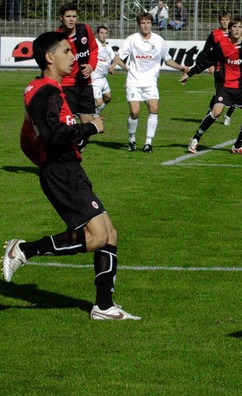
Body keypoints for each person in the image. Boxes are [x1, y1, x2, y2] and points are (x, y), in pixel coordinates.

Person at [3, 31, 140, 321]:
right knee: (98, 236)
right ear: (49, 58)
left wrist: (80, 132)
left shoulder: (51, 89)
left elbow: (41, 136)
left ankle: (104, 306)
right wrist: (90, 128)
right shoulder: (45, 92)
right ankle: (24, 249)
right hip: (61, 171)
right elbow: (52, 135)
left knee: (110, 234)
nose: (72, 55)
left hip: (68, 168)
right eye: (66, 51)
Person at [109, 12, 188, 153]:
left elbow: (167, 59)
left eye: (148, 22)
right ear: (139, 25)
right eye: (143, 23)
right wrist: (119, 65)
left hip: (150, 82)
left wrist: (180, 67)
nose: (145, 25)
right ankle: (132, 139)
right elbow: (118, 56)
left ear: (152, 24)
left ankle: (148, 143)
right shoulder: (132, 39)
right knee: (135, 112)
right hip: (134, 81)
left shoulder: (159, 40)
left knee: (154, 108)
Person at [181, 17, 242, 156]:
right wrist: (190, 73)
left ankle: (238, 145)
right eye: (234, 27)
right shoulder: (222, 44)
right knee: (216, 112)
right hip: (225, 85)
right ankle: (195, 138)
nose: (237, 30)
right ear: (229, 29)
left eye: (240, 27)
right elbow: (206, 61)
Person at [56, 2, 99, 153]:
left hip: (85, 83)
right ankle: (68, 154)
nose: (71, 19)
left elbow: (93, 49)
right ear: (61, 18)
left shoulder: (84, 30)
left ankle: (78, 148)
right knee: (68, 123)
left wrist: (91, 66)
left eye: (74, 16)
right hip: (67, 84)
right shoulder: (58, 37)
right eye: (68, 16)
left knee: (88, 124)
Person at [207, 11, 236, 127]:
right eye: (223, 20)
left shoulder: (234, 33)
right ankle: (210, 112)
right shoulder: (215, 34)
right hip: (219, 69)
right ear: (220, 21)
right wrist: (210, 65)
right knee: (219, 93)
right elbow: (209, 51)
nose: (225, 22)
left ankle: (228, 115)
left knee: (235, 93)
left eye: (227, 20)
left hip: (233, 68)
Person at [90, 26, 117, 115]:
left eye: (105, 33)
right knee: (99, 103)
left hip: (103, 78)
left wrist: (112, 65)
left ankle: (94, 115)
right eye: (101, 33)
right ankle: (88, 114)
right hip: (95, 78)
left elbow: (115, 59)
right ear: (97, 34)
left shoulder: (108, 48)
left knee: (108, 97)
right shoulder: (94, 45)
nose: (103, 35)